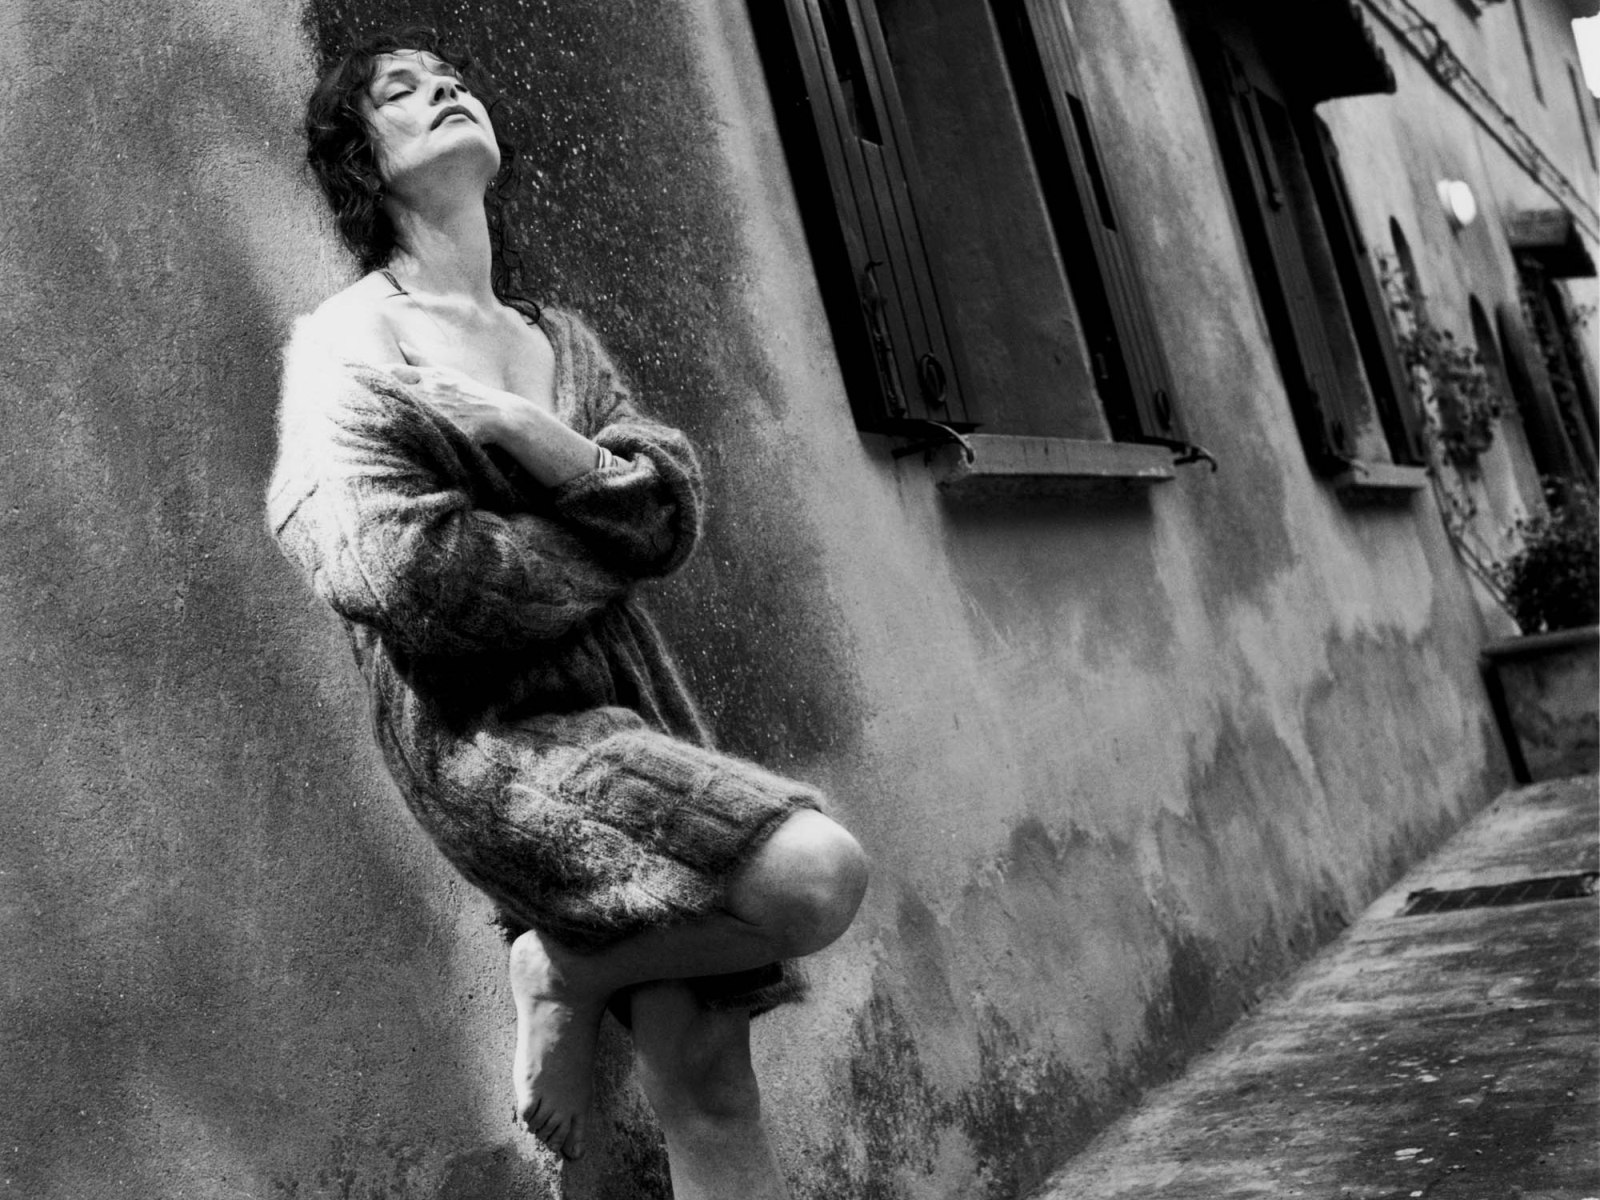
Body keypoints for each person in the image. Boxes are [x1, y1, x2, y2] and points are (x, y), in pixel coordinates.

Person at [269, 29, 868, 1195]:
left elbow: (670, 513)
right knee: (814, 874)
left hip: (637, 712)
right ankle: (571, 966)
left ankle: (575, 967)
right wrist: (603, 516)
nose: (445, 90)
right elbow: (402, 578)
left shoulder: (560, 343)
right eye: (403, 91)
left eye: (452, 78)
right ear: (361, 161)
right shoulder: (349, 345)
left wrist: (544, 444)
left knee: (706, 1076)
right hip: (495, 742)